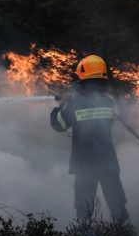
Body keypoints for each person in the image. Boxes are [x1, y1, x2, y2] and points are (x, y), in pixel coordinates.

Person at [50, 54, 128, 221]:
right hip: (108, 161)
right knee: (117, 204)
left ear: (82, 80)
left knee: (84, 208)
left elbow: (59, 124)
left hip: (85, 163)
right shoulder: (109, 102)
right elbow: (119, 115)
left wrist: (61, 105)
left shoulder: (75, 104)